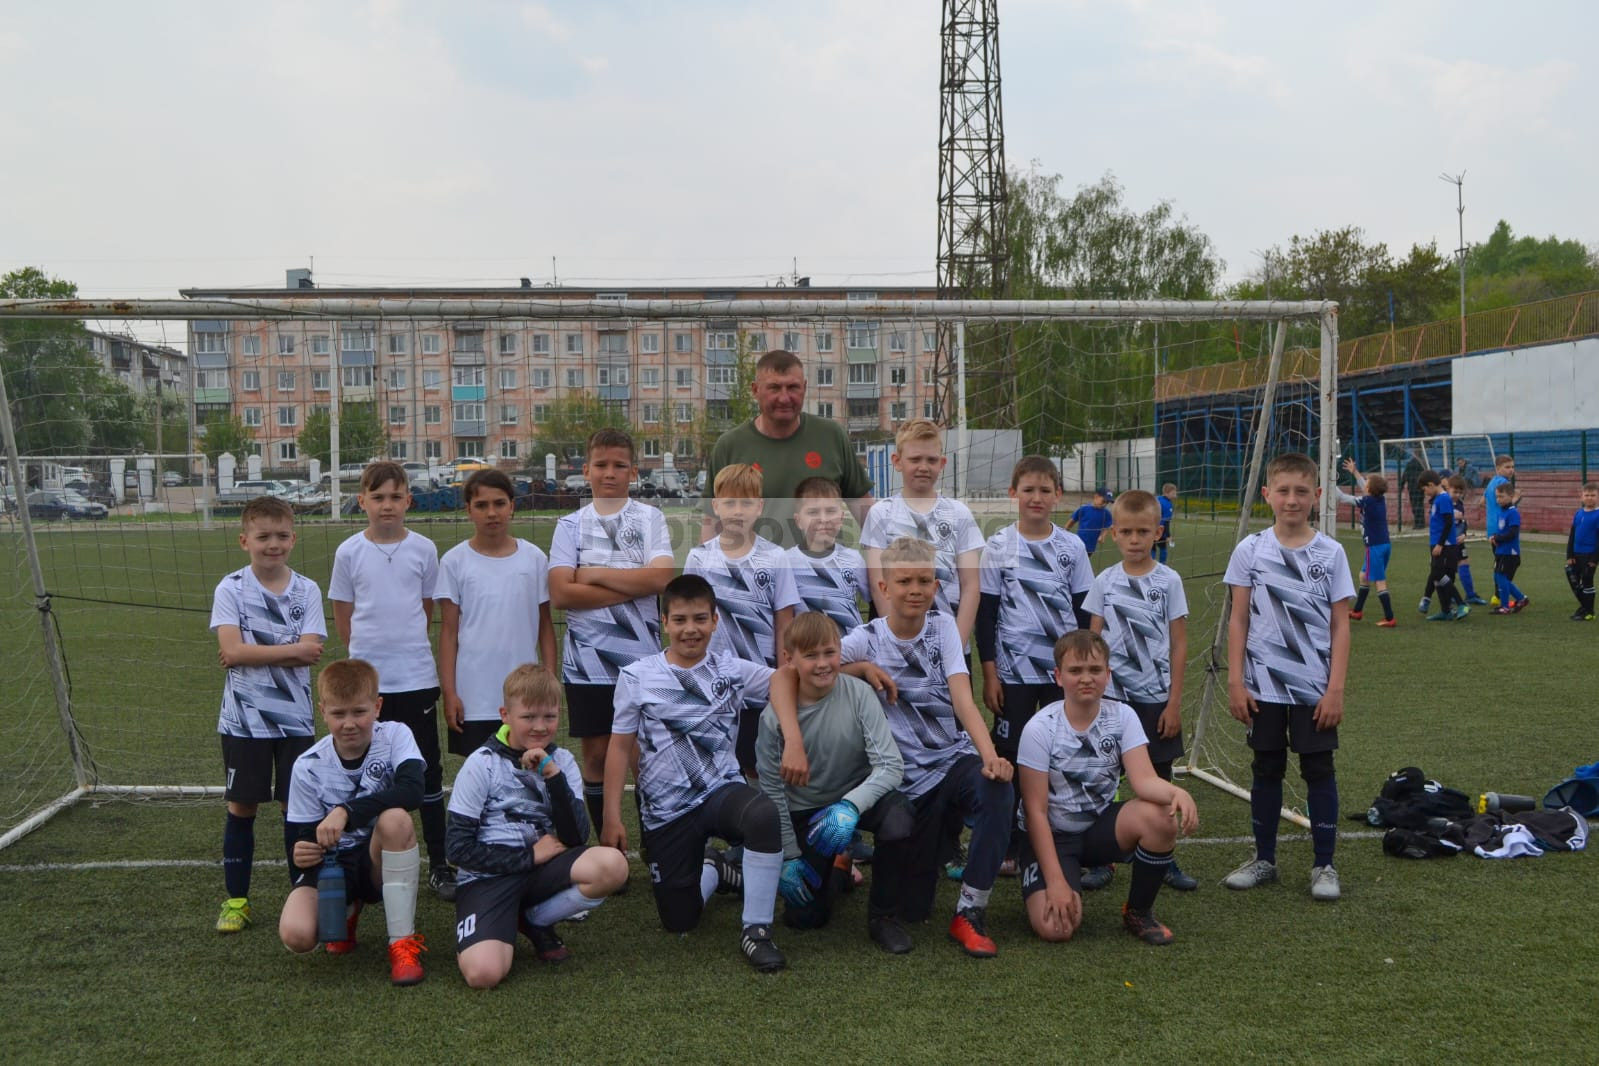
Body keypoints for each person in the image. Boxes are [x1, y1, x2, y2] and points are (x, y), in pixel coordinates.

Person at [600, 574, 791, 972]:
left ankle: (756, 931)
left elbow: (785, 679)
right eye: (681, 620)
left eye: (700, 619)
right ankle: (714, 869)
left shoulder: (731, 669)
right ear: (664, 623)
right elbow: (619, 748)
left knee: (762, 815)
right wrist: (611, 815)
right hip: (666, 810)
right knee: (679, 920)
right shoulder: (636, 676)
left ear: (715, 620)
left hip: (721, 792)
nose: (691, 629)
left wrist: (794, 737)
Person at [840, 536, 1015, 957]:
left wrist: (990, 757)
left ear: (936, 586)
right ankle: (877, 900)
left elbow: (963, 700)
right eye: (904, 581)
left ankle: (970, 911)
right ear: (884, 588)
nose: (915, 590)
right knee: (913, 908)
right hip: (898, 779)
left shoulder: (943, 629)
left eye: (924, 580)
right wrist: (861, 668)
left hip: (948, 762)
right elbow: (807, 669)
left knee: (997, 788)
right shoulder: (866, 638)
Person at [1221, 453, 1353, 902]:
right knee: (1266, 768)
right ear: (1267, 495)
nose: (1292, 500)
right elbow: (1238, 619)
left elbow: (1341, 626)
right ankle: (1264, 859)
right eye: (1283, 491)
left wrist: (1335, 690)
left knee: (1319, 769)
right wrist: (1236, 681)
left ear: (1317, 495)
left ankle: (1324, 865)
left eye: (1301, 491)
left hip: (1314, 688)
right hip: (1263, 686)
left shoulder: (1331, 553)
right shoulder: (1250, 549)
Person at [448, 664, 629, 988]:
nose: (540, 726)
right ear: (505, 715)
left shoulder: (563, 762)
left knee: (613, 865)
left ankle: (533, 919)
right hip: (489, 877)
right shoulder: (481, 763)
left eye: (549, 716)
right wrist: (528, 857)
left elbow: (577, 836)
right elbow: (457, 849)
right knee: (483, 975)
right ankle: (502, 918)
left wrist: (553, 776)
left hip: (542, 870)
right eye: (528, 717)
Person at [1017, 630, 1199, 946]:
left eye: (1095, 670)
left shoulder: (1122, 716)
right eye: (1075, 670)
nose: (1086, 678)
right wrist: (1056, 882)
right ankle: (1051, 877)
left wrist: (1177, 793)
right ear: (1058, 676)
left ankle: (1138, 912)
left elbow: (1143, 781)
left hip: (1098, 827)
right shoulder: (1039, 728)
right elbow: (1036, 813)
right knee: (1056, 929)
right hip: (1053, 836)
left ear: (1108, 674)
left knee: (1161, 817)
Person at [328, 461, 453, 901]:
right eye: (378, 497)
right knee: (369, 770)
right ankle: (365, 859)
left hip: (415, 678)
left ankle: (440, 863)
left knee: (426, 771)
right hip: (368, 687)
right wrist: (366, 665)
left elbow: (425, 609)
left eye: (395, 497)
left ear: (408, 501)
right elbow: (344, 616)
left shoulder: (423, 549)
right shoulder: (348, 552)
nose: (387, 505)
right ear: (361, 501)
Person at [754, 613, 912, 945]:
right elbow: (772, 793)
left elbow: (890, 765)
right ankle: (839, 866)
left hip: (853, 802)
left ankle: (884, 917)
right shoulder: (772, 720)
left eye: (830, 652)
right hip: (807, 814)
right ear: (789, 659)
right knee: (805, 918)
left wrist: (850, 806)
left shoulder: (859, 694)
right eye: (811, 655)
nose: (823, 664)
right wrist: (790, 856)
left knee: (898, 817)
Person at [548, 429, 675, 837]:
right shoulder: (570, 525)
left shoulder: (650, 518)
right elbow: (561, 593)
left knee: (643, 755)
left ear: (633, 472)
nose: (609, 473)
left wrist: (595, 574)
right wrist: (632, 584)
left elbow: (662, 578)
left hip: (642, 661)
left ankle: (654, 842)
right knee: (597, 755)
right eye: (601, 465)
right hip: (587, 664)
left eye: (619, 465)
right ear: (586, 470)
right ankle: (606, 839)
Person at [211, 495, 326, 934]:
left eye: (281, 536)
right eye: (263, 537)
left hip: (296, 720)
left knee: (295, 807)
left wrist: (249, 653)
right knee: (242, 807)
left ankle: (302, 895)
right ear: (245, 541)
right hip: (244, 720)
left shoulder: (307, 589)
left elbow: (311, 651)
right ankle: (236, 900)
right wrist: (289, 650)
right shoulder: (231, 588)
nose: (272, 544)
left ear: (293, 538)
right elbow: (231, 650)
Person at [278, 659, 427, 986]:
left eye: (359, 712)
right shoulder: (308, 765)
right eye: (338, 714)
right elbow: (299, 844)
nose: (349, 723)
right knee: (296, 934)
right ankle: (346, 910)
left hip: (377, 858)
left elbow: (413, 790)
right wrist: (301, 854)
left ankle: (402, 944)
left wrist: (346, 811)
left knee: (396, 819)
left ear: (377, 707)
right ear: (323, 711)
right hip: (334, 866)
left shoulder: (396, 735)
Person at [976, 456, 1091, 877]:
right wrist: (990, 673)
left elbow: (1084, 613)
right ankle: (1009, 842)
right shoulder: (998, 546)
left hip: (1062, 675)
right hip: (1014, 674)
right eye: (1028, 490)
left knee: (1062, 752)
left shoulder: (1072, 547)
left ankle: (1058, 840)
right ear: (1014, 494)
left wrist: (1083, 670)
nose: (1036, 497)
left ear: (1058, 495)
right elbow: (986, 615)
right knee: (1011, 754)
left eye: (1045, 490)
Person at [1084, 489, 1194, 892]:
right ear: (1113, 533)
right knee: (1105, 778)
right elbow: (1093, 645)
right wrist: (1093, 699)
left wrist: (1173, 702)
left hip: (1154, 700)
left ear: (1157, 533)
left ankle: (1163, 856)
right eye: (1126, 532)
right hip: (1111, 701)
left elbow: (1179, 644)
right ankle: (1104, 858)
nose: (1134, 539)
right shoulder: (1104, 581)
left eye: (1142, 532)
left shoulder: (1169, 581)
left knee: (1159, 777)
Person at [437, 469, 557, 757]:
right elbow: (449, 633)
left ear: (512, 506)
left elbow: (545, 626)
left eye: (499, 503)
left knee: (527, 770)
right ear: (468, 510)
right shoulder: (454, 561)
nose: (491, 513)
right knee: (479, 771)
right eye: (481, 505)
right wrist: (450, 693)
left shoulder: (534, 558)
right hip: (474, 696)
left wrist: (550, 682)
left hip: (526, 696)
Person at [702, 348, 874, 548]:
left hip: (821, 566)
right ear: (755, 390)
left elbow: (866, 511)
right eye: (774, 388)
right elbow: (711, 522)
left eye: (793, 387)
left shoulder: (832, 436)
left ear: (805, 388)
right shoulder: (729, 446)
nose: (784, 398)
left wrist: (890, 555)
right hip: (755, 567)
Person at [861, 418, 984, 644]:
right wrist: (899, 641)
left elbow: (971, 586)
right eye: (915, 459)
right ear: (897, 461)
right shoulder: (880, 513)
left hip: (948, 643)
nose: (923, 467)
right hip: (896, 646)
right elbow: (878, 585)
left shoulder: (959, 513)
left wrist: (956, 644)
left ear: (942, 463)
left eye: (931, 460)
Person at [787, 475, 871, 636]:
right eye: (813, 512)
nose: (823, 519)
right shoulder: (786, 563)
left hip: (851, 648)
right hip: (808, 647)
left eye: (831, 511)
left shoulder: (854, 559)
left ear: (841, 517)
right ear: (798, 521)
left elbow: (874, 602)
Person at [1339, 459, 1395, 627]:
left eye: (1367, 483)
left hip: (1375, 547)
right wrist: (1355, 472)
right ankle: (1357, 611)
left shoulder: (1367, 502)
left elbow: (1343, 498)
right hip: (1383, 545)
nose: (1364, 484)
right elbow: (1364, 485)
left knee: (1379, 581)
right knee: (1363, 576)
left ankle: (1390, 618)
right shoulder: (1379, 499)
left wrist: (1328, 485)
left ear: (1370, 489)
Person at [1417, 472, 1465, 621]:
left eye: (1425, 489)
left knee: (1438, 574)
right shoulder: (1438, 499)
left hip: (1444, 545)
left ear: (1431, 485)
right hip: (1437, 543)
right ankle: (1446, 611)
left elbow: (1449, 523)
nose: (1425, 493)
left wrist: (1440, 544)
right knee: (1437, 577)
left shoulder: (1443, 499)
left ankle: (1461, 604)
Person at [1447, 474, 1488, 606]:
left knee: (1464, 563)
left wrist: (1464, 534)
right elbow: (1437, 520)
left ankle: (1470, 595)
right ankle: (1449, 595)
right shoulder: (1443, 502)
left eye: (1460, 492)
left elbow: (1462, 522)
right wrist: (1452, 516)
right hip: (1447, 542)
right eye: (1455, 492)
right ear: (1448, 489)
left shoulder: (1459, 503)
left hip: (1459, 541)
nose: (1457, 495)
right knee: (1449, 569)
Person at [1488, 483, 1529, 615]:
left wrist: (1498, 538)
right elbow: (1503, 531)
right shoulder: (1502, 512)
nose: (1498, 499)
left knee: (1501, 577)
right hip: (1501, 551)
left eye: (1501, 496)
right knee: (1498, 577)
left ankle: (1505, 606)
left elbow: (1513, 533)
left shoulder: (1513, 512)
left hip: (1510, 553)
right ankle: (1521, 598)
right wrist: (1495, 538)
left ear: (1511, 496)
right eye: (1497, 497)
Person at [1566, 482, 1599, 621]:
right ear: (1581, 497)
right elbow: (1572, 535)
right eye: (1587, 495)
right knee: (1573, 578)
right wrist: (1569, 554)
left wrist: (1594, 559)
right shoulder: (1578, 513)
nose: (1589, 497)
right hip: (1576, 554)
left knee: (1587, 581)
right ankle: (1585, 607)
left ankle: (1589, 612)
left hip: (1589, 555)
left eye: (1593, 495)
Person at [1066, 490, 1113, 556]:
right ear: (1096, 497)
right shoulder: (1084, 508)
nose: (1104, 504)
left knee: (1085, 560)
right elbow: (1072, 521)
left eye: (1107, 502)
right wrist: (1065, 531)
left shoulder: (1107, 513)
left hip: (1091, 546)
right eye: (1103, 501)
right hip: (1078, 542)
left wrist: (1103, 536)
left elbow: (1107, 527)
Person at [1401, 449, 1427, 530]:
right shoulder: (1424, 463)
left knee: (1415, 506)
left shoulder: (1410, 463)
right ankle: (1421, 523)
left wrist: (1401, 485)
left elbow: (1405, 475)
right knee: (1420, 505)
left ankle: (1418, 523)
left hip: (1412, 487)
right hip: (1421, 487)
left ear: (1414, 454)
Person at [1155, 483, 1177, 564]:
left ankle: (1150, 567)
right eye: (1173, 493)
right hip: (1160, 530)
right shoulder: (1167, 504)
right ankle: (1162, 566)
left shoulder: (1156, 499)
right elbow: (1166, 521)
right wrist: (1168, 536)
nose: (1175, 495)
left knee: (1152, 548)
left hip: (1150, 528)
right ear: (1166, 493)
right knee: (1163, 548)